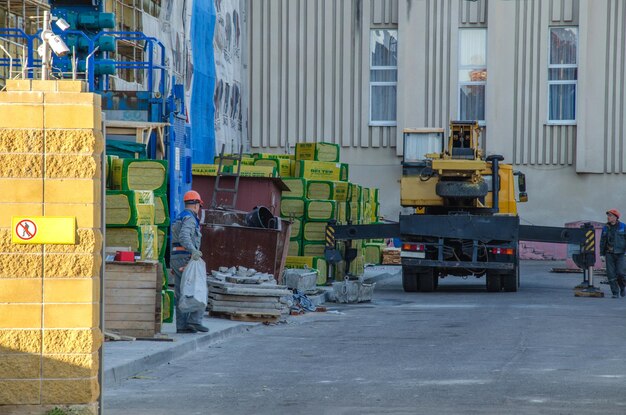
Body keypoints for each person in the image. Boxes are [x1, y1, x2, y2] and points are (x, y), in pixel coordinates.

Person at [171, 190, 210, 333]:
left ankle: (182, 326)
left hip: (177, 257)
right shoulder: (190, 218)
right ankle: (195, 320)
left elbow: (175, 238)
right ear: (196, 205)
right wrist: (194, 251)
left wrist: (173, 263)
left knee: (181, 292)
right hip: (186, 257)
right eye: (199, 205)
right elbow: (184, 236)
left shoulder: (179, 217)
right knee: (198, 287)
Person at [599, 208, 626, 298]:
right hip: (609, 253)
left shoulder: (623, 227)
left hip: (621, 253)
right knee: (611, 274)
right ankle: (615, 292)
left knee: (621, 273)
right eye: (608, 215)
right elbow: (602, 241)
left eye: (610, 216)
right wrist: (601, 254)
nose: (608, 217)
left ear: (615, 217)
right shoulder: (606, 228)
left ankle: (622, 287)